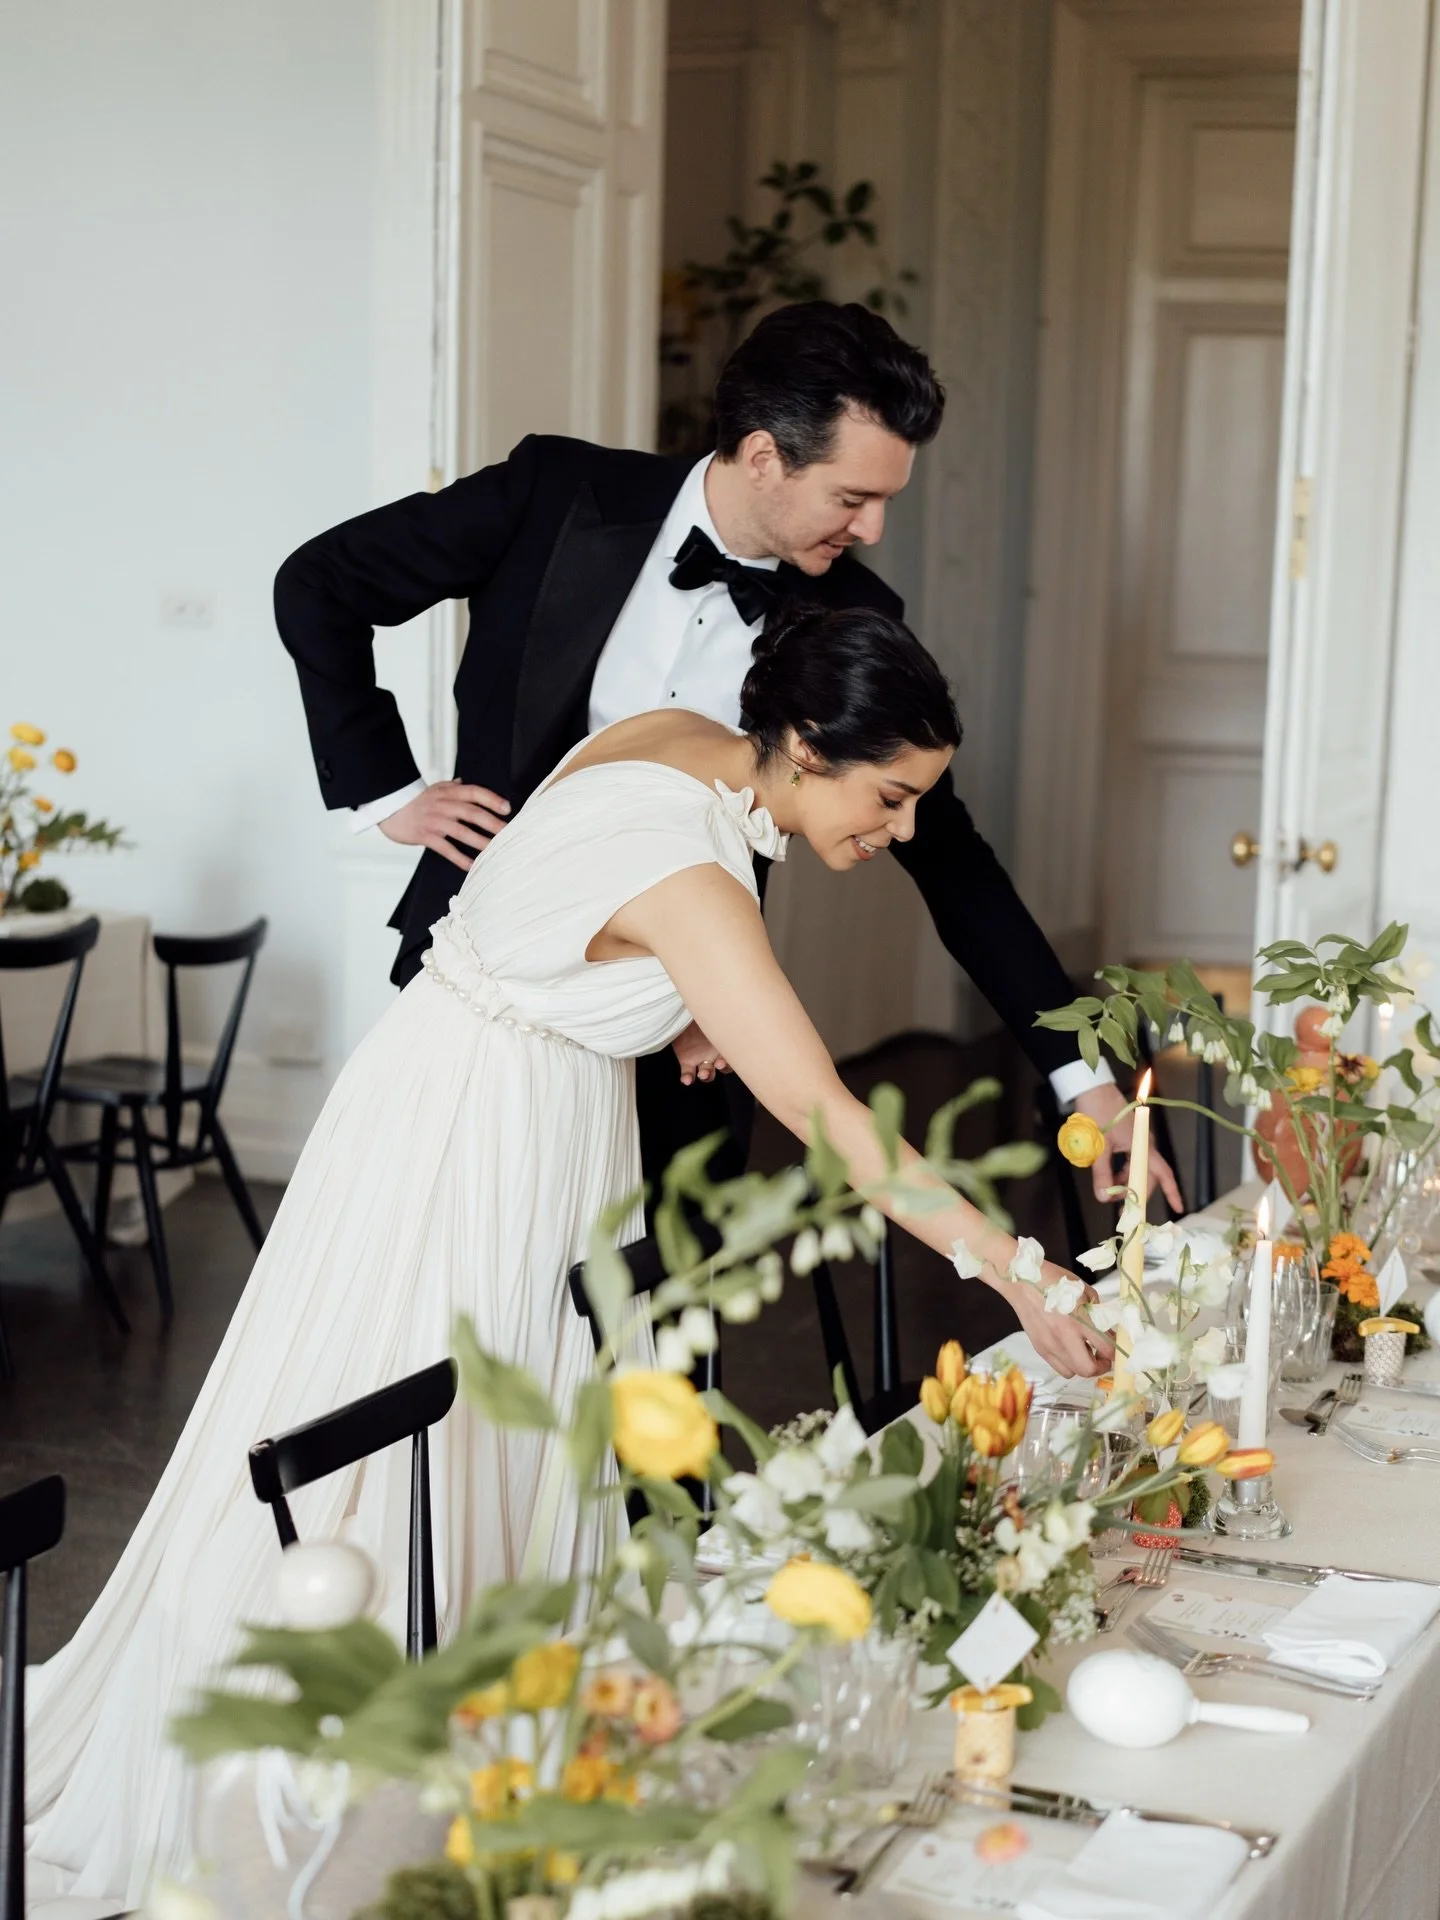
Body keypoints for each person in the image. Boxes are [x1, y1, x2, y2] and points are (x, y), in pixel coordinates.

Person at [24, 609, 1111, 1908]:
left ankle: (469, 1769)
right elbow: (836, 1125)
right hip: (484, 1146)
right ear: (808, 747)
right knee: (414, 1448)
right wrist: (1024, 1273)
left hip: (452, 1085)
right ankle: (314, 1805)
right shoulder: (702, 893)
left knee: (467, 1442)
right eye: (890, 796)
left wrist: (667, 1010)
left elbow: (538, 899)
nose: (904, 832)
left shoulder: (670, 736)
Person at [275, 300, 1179, 1247]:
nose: (872, 530)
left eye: (886, 502)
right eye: (850, 498)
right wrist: (388, 793)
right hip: (496, 1001)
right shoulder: (557, 492)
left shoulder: (854, 621)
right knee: (461, 1302)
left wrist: (1088, 1081)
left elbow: (955, 864)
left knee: (661, 1346)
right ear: (762, 456)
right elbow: (321, 583)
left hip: (687, 1031)